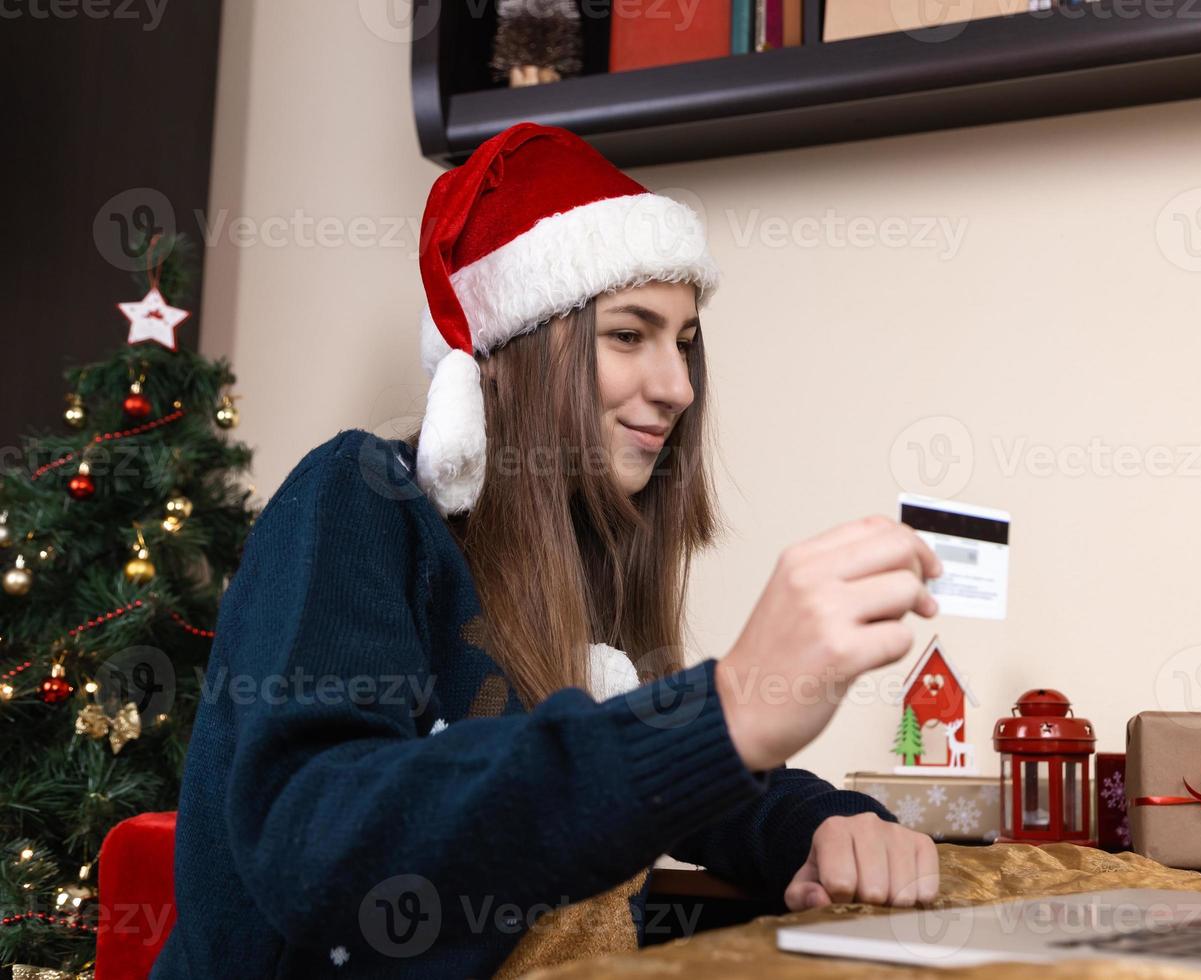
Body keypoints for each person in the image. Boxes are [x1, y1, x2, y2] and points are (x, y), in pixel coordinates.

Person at [151, 122, 943, 978]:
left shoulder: (581, 559)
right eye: (630, 334)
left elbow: (642, 778)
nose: (678, 386)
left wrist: (823, 826)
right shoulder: (357, 500)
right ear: (510, 352)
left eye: (684, 342)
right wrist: (728, 709)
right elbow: (318, 841)